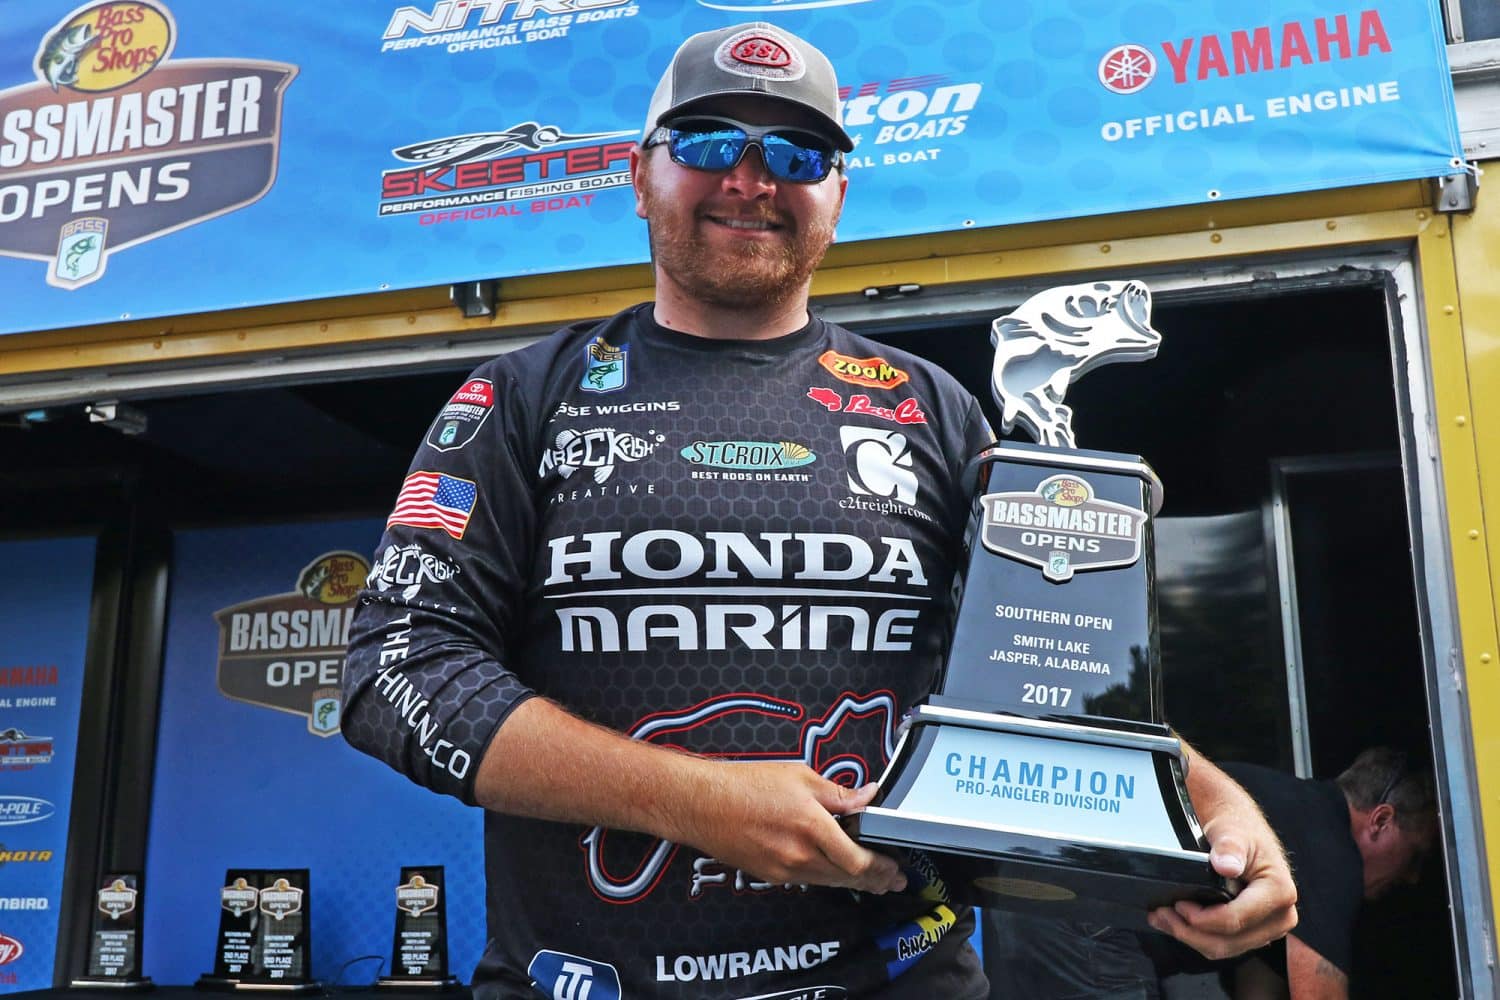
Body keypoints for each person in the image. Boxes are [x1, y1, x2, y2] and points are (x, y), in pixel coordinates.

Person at [340, 21, 1298, 999]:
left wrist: (1216, 810)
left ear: (837, 195)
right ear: (638, 177)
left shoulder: (932, 410)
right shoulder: (521, 398)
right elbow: (396, 673)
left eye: (797, 154)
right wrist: (695, 801)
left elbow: (1037, 666)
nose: (750, 179)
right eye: (708, 142)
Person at [984, 748, 1437, 999]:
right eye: (1415, 856)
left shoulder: (1285, 806)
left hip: (1035, 907)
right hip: (1093, 931)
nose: (1412, 877)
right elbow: (1318, 994)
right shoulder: (1333, 852)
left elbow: (1259, 982)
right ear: (1381, 821)